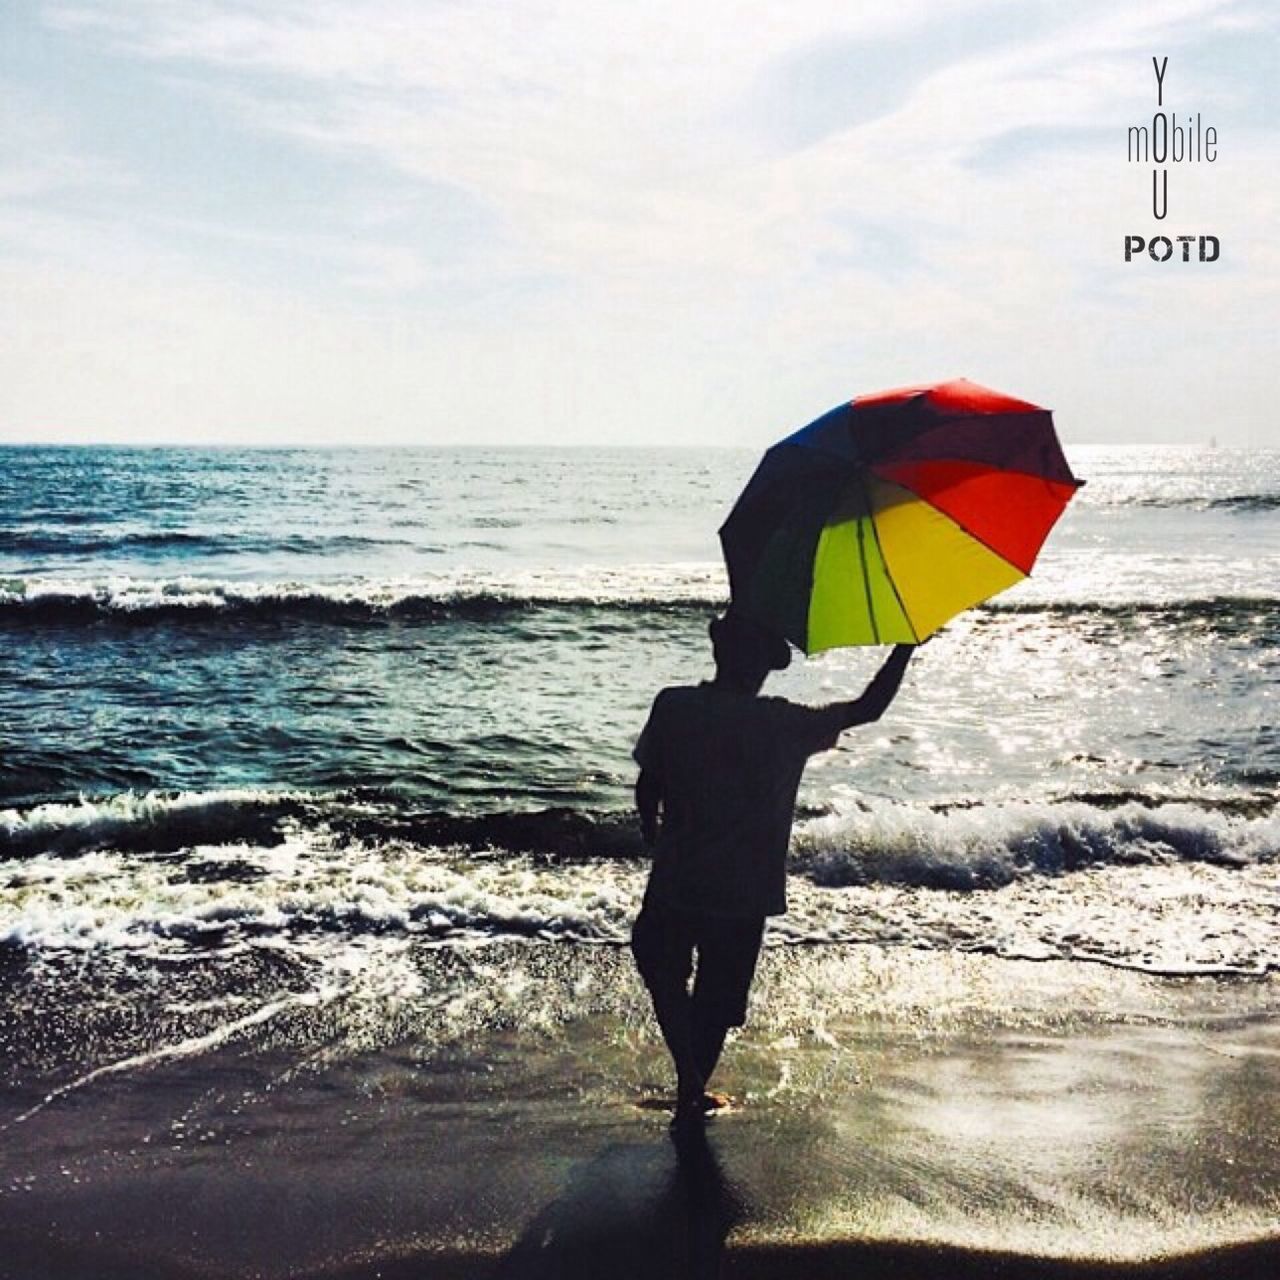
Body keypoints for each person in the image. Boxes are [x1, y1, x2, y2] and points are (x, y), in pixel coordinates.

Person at [630, 609, 916, 1125]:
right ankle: (691, 1085)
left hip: (679, 875)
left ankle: (689, 1078)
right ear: (764, 667)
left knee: (659, 961)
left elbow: (648, 783)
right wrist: (906, 644)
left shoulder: (676, 707)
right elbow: (868, 708)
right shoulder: (784, 724)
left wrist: (652, 826)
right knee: (717, 998)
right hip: (745, 888)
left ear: (718, 651)